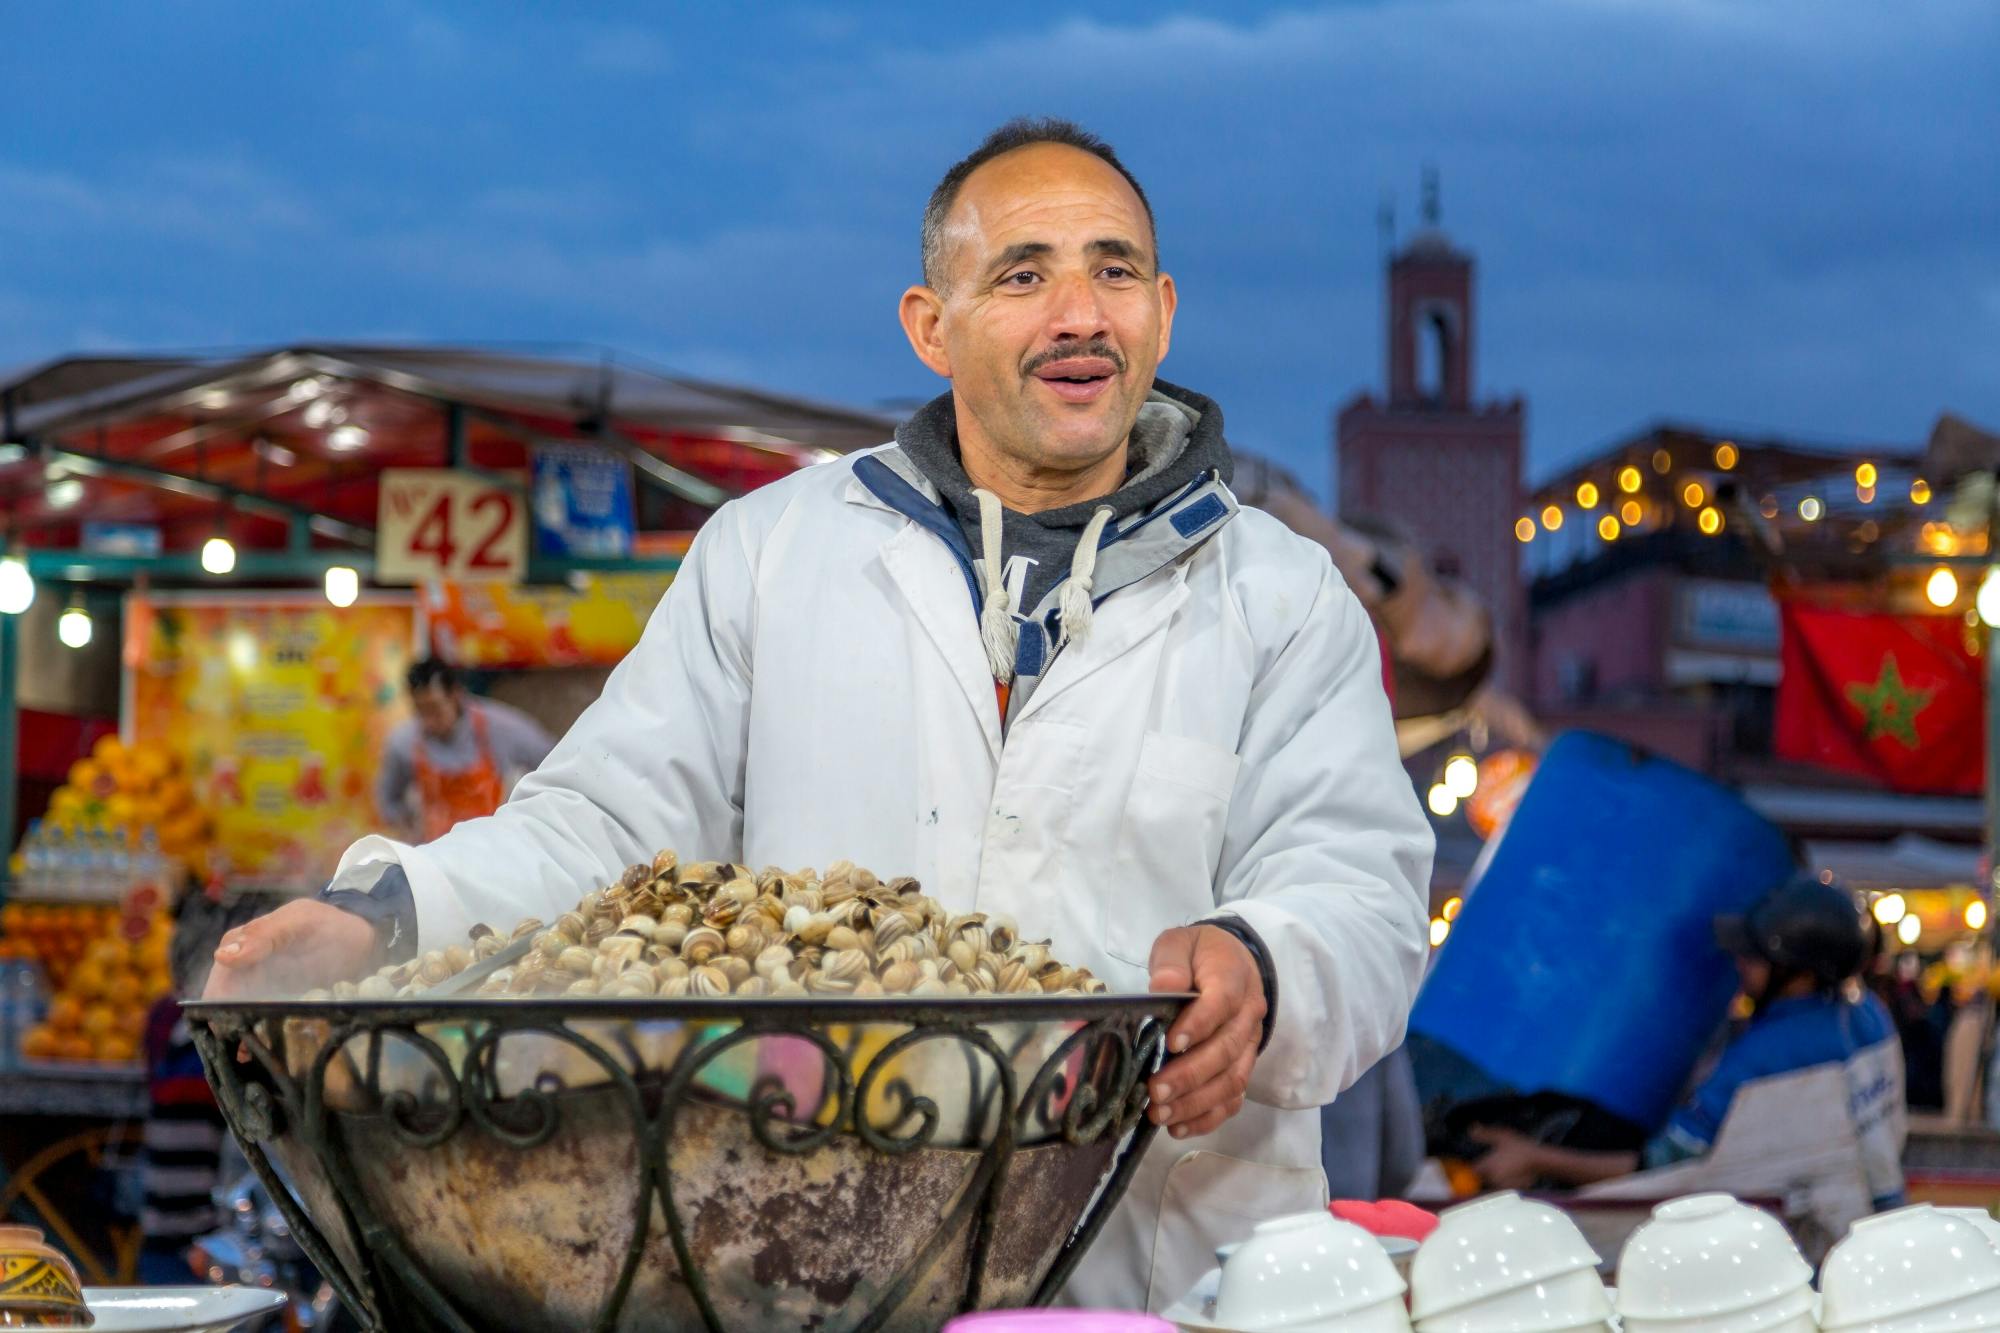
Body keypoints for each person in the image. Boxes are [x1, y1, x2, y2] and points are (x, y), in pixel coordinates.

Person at [206, 118, 1433, 1312]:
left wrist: (1268, 968)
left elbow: (1359, 887)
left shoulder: (1276, 593)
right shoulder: (774, 551)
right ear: (929, 328)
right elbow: (601, 827)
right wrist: (381, 917)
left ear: (1162, 310)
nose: (1078, 314)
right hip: (814, 1260)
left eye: (1112, 271)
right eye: (1021, 274)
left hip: (1156, 1272)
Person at [1470, 875, 1906, 1211]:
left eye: (1755, 956)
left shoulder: (1762, 1056)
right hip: (1872, 1214)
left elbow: (1663, 1169)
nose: (1740, 964)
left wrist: (1534, 1157)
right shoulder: (1869, 1016)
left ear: (1801, 972)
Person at [375, 658, 555, 844]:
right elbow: (389, 801)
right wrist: (409, 835)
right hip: (436, 853)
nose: (428, 720)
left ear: (455, 695)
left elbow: (552, 761)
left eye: (434, 708)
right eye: (420, 711)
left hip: (492, 847)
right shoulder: (404, 742)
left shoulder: (499, 727)